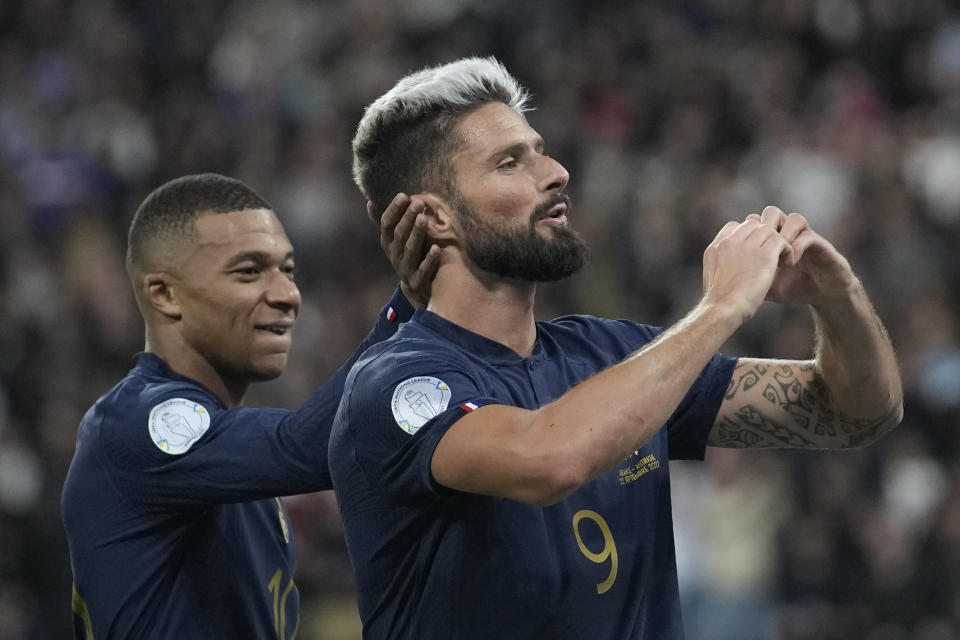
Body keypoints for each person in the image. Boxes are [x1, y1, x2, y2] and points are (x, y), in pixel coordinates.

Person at [329, 57, 903, 639]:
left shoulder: (612, 353)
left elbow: (852, 415)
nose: (555, 171)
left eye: (541, 150)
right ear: (436, 217)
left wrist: (838, 295)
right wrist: (721, 307)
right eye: (510, 162)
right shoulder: (395, 385)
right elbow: (549, 460)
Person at [61, 173, 438, 639]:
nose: (287, 295)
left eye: (288, 270)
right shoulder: (135, 425)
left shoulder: (235, 465)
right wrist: (411, 303)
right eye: (248, 271)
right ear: (164, 294)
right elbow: (310, 447)